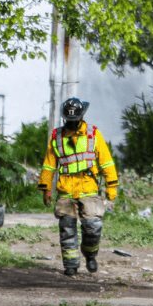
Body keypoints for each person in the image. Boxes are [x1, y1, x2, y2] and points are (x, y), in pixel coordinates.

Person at [38, 97, 118, 276]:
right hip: (66, 190)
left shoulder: (93, 134)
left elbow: (106, 163)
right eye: (69, 120)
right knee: (67, 228)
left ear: (81, 116)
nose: (71, 123)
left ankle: (90, 254)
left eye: (75, 120)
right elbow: (49, 165)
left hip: (88, 188)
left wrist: (111, 188)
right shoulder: (57, 137)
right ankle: (71, 265)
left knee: (93, 226)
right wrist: (46, 189)